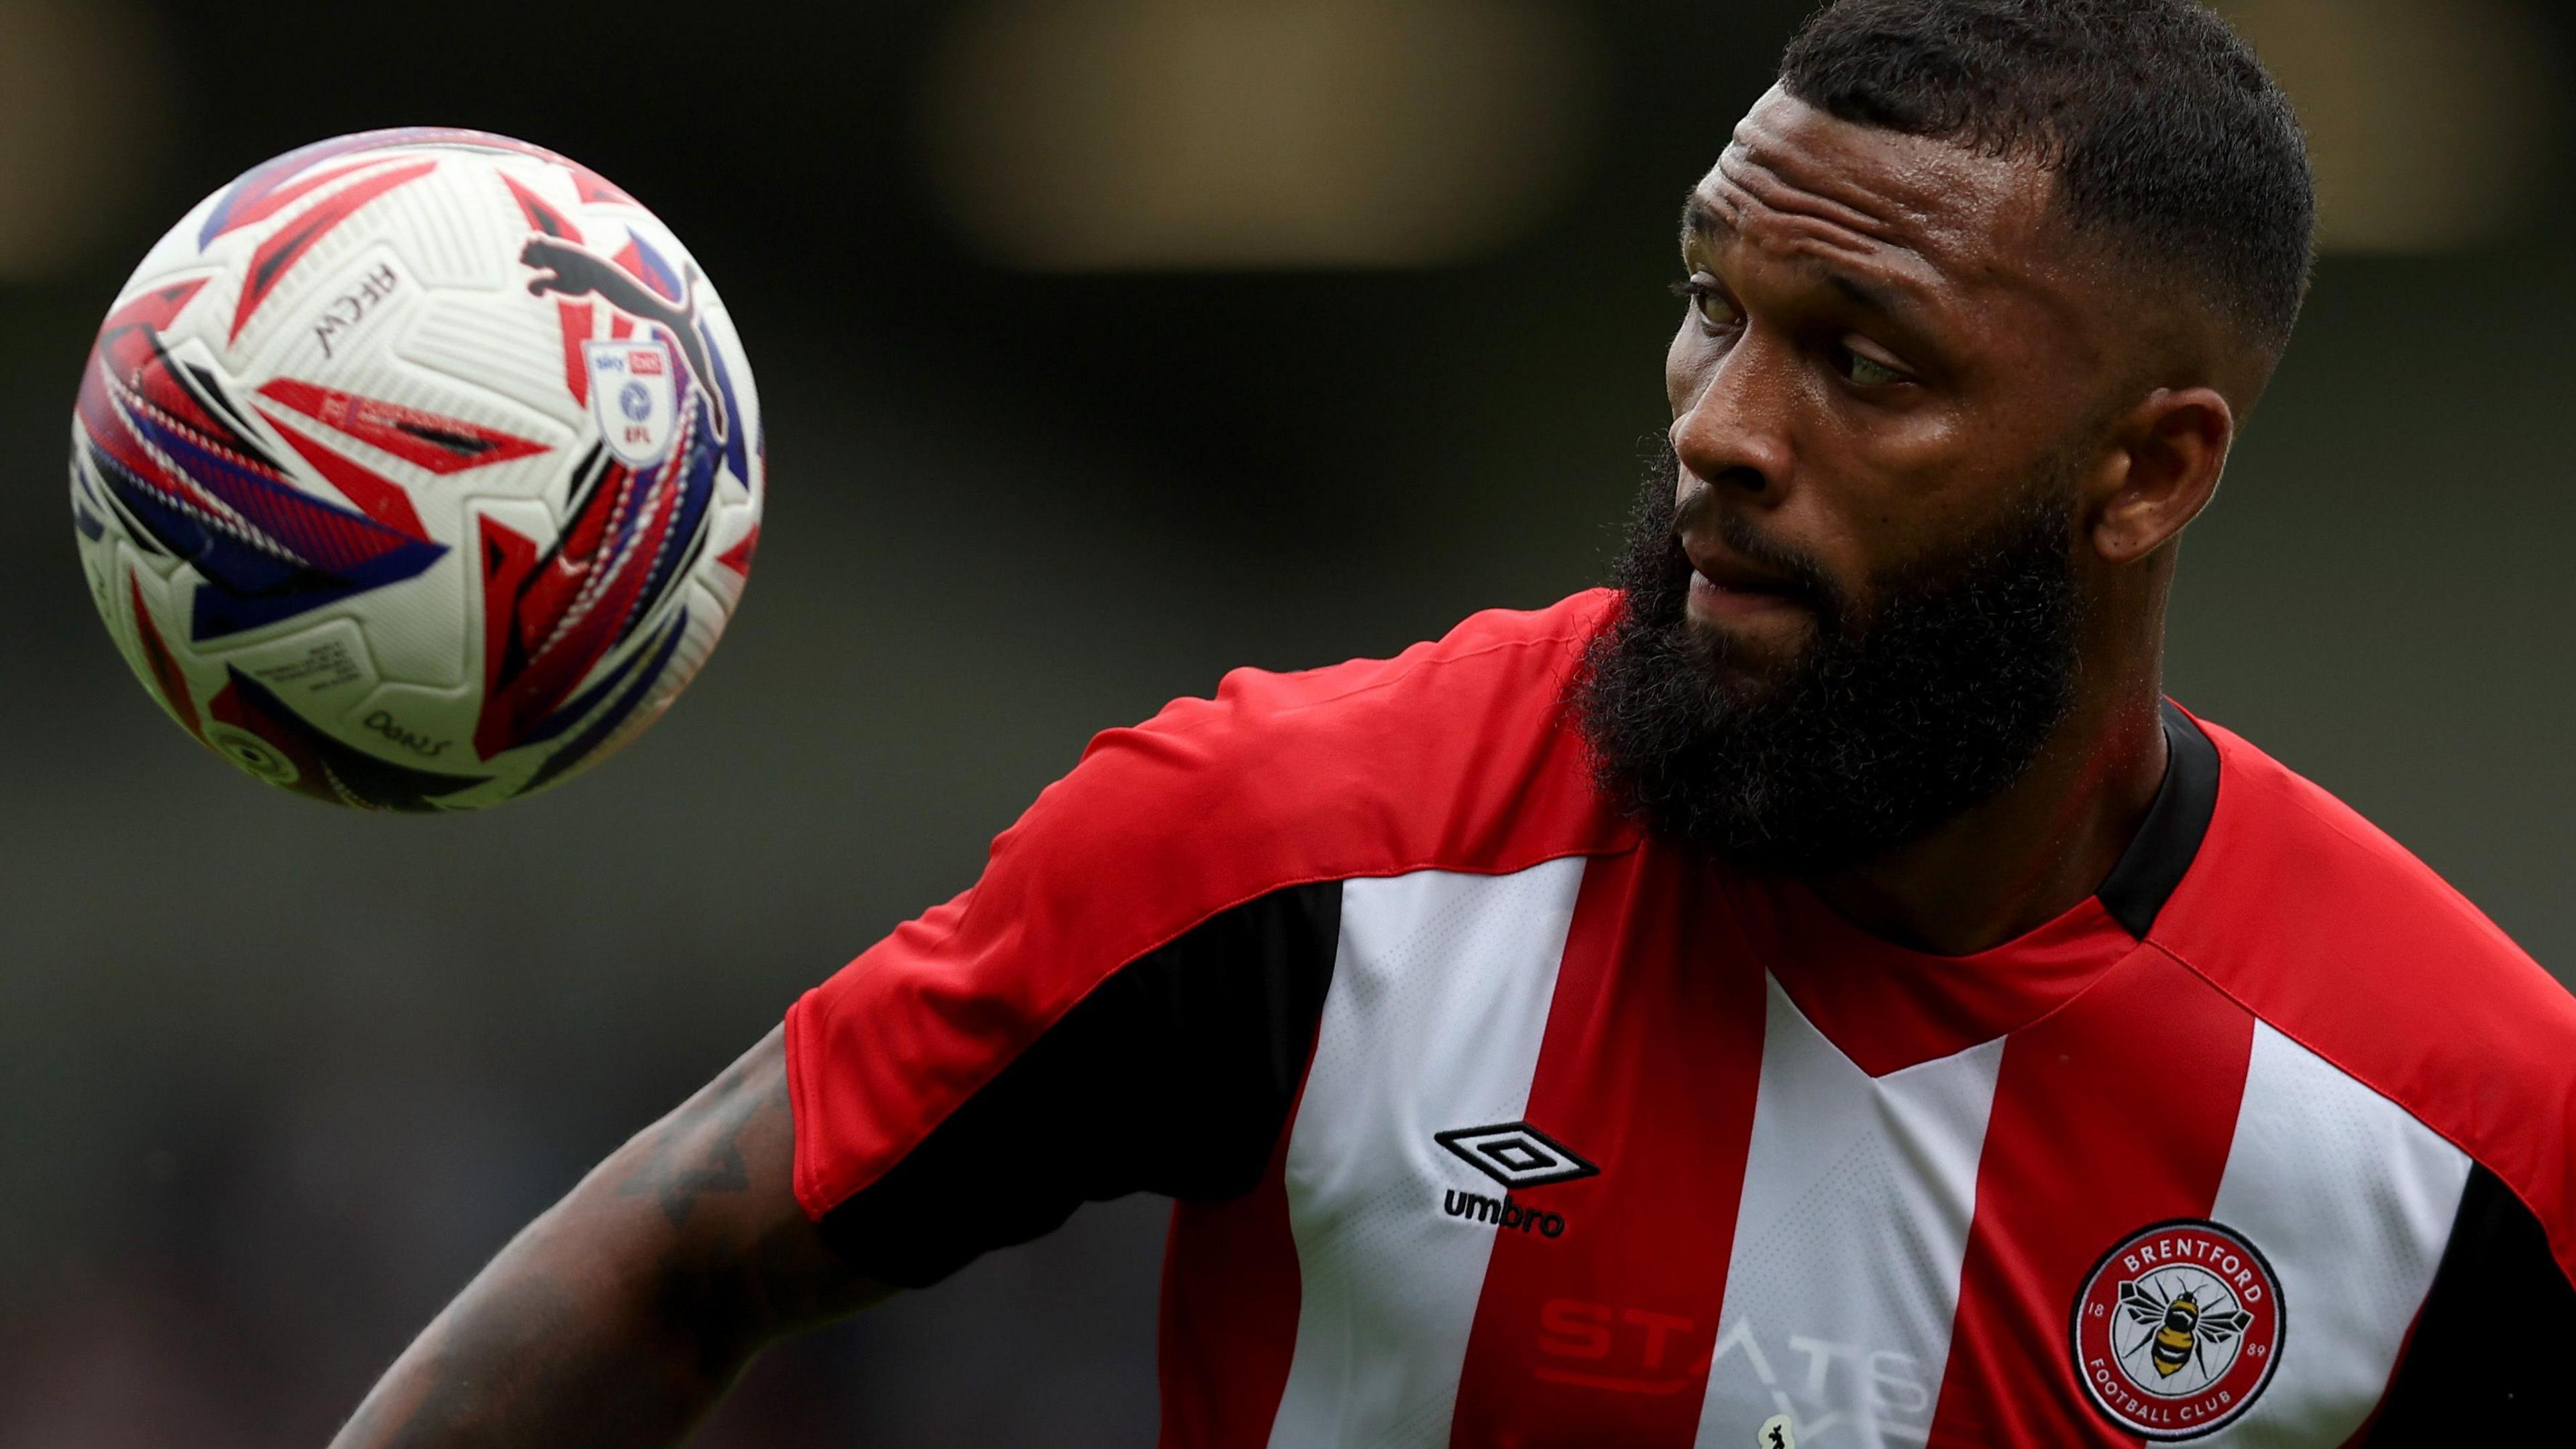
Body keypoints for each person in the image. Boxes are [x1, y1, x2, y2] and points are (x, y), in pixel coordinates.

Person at [331, 1, 2576, 1444]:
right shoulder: (1296, 847)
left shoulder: (2461, 1133)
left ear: (2150, 469)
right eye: (1713, 308)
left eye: (1865, 363)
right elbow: (663, 1259)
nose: (1722, 428)